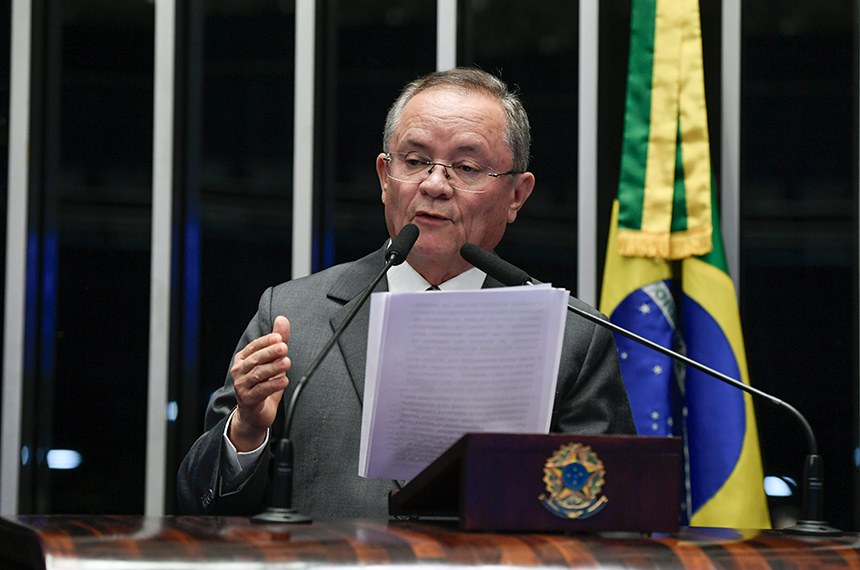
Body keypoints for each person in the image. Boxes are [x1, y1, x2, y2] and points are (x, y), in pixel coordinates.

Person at [177, 67, 636, 519]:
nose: (435, 185)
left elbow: (612, 518)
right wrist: (247, 431)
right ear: (384, 176)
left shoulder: (570, 334)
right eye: (415, 162)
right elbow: (202, 503)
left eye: (467, 167)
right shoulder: (293, 316)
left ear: (516, 194)